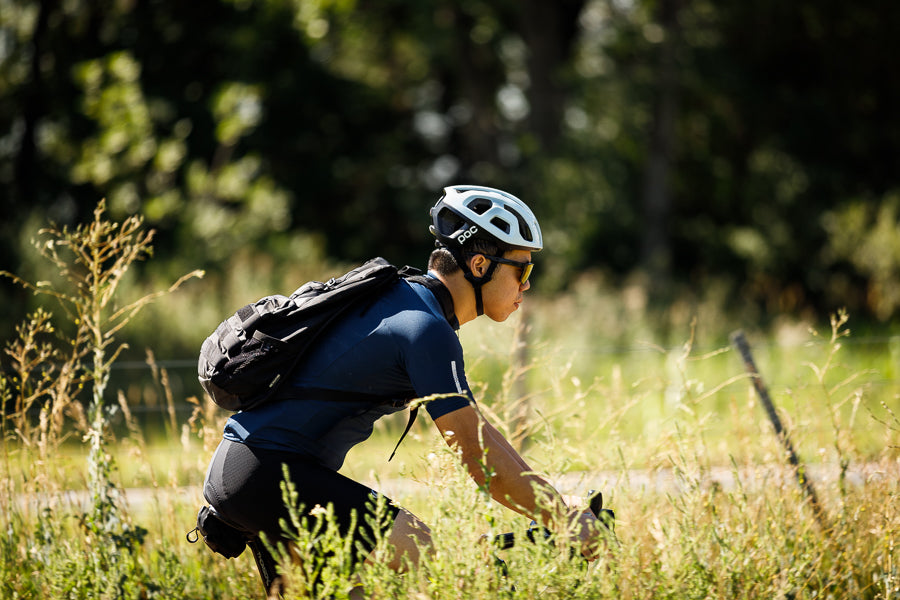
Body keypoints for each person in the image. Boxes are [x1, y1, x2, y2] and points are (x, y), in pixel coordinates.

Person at [201, 185, 604, 597]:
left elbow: (480, 439)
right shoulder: (425, 328)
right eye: (523, 270)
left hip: (249, 471)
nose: (527, 285)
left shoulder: (406, 299)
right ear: (480, 264)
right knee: (445, 566)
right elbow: (477, 454)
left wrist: (553, 505)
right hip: (270, 474)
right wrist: (561, 514)